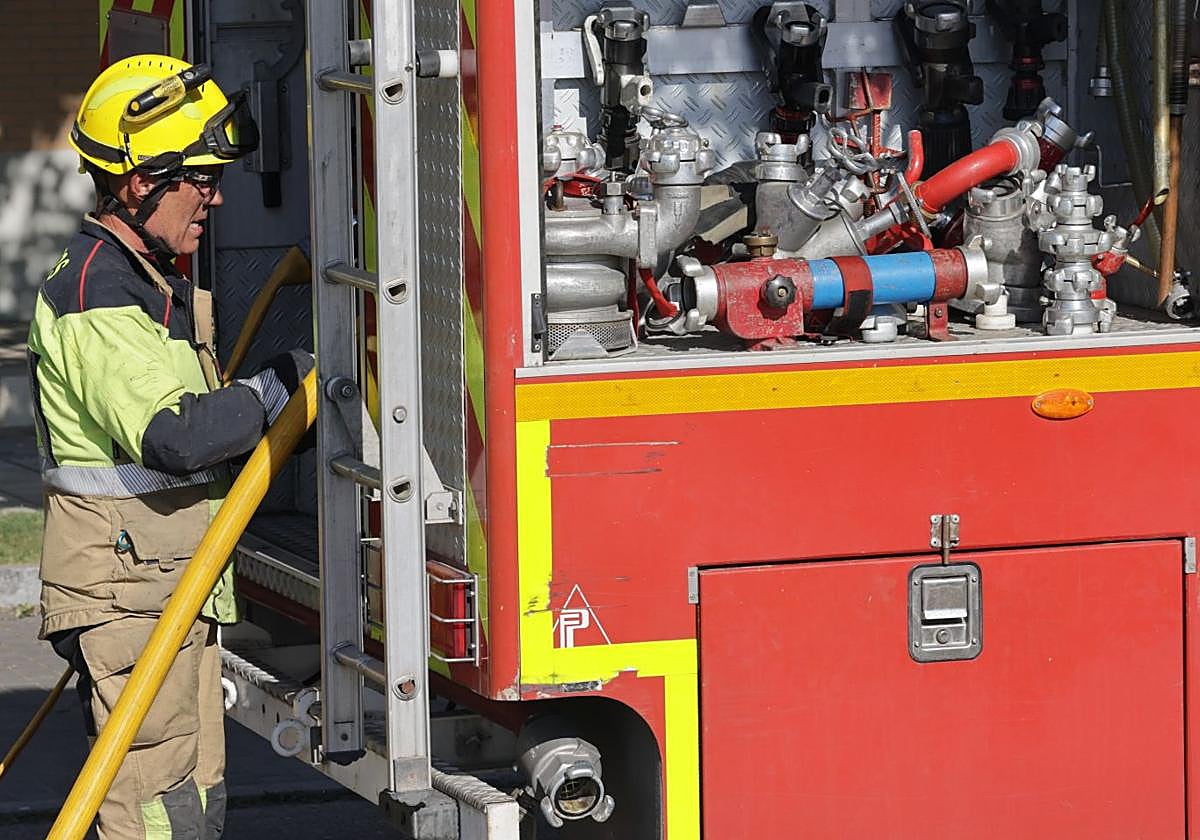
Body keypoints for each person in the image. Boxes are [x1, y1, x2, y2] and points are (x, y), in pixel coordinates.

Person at [27, 54, 312, 839]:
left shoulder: (146, 278)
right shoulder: (99, 290)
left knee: (191, 799)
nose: (216, 195)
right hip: (129, 599)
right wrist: (284, 385)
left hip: (158, 590)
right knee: (155, 815)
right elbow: (177, 437)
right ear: (137, 182)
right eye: (200, 177)